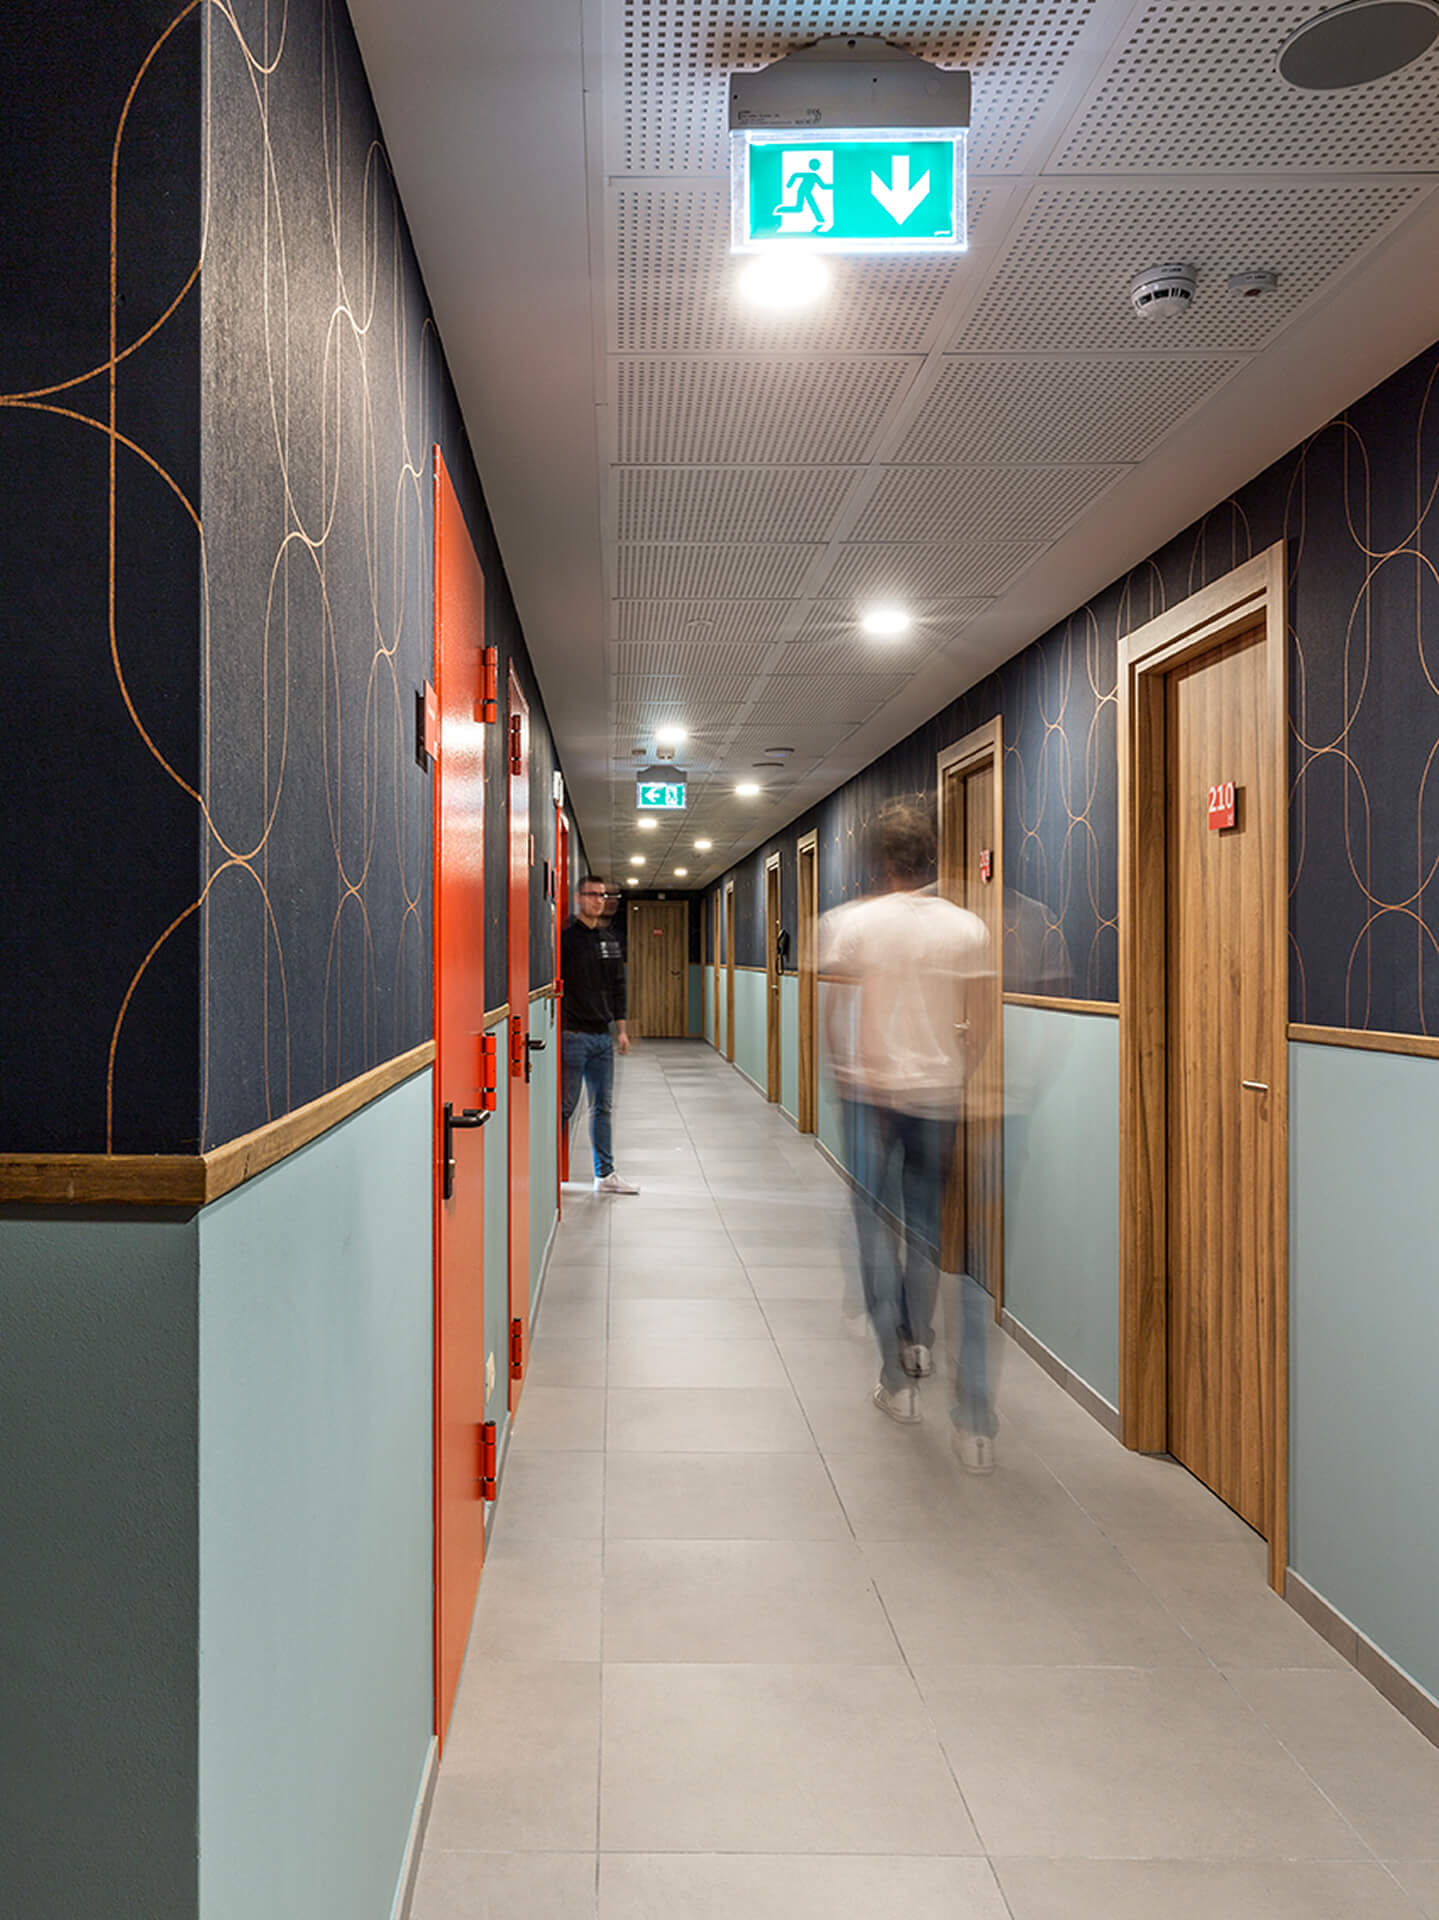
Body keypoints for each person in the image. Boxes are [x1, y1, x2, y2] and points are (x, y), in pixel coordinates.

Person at [819, 800, 998, 1470]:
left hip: (870, 1097)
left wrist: (848, 1074)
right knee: (925, 1227)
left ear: (881, 861)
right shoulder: (966, 929)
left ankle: (896, 1381)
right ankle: (920, 1342)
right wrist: (956, 1071)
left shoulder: (851, 925)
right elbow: (979, 1023)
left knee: (872, 1228)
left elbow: (837, 1015)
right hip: (936, 1097)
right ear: (932, 858)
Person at [561, 874, 639, 1195]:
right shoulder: (566, 940)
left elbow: (617, 988)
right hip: (573, 1036)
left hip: (601, 1039)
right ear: (579, 897)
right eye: (592, 894)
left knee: (603, 1107)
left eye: (603, 895)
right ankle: (547, 1175)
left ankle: (605, 1174)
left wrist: (621, 1031)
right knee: (566, 1108)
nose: (598, 900)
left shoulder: (609, 941)